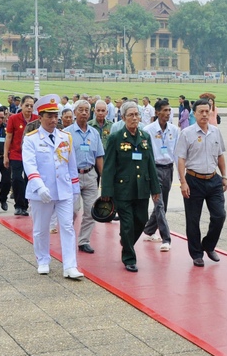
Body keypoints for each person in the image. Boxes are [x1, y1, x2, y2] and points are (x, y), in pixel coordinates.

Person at [23, 94, 83, 279]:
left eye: (55, 115)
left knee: (67, 227)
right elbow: (30, 165)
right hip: (41, 191)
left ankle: (70, 266)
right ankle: (43, 260)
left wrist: (75, 191)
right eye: (49, 116)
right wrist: (39, 186)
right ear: (40, 117)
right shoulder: (31, 139)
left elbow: (72, 166)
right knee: (41, 228)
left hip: (63, 190)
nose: (53, 120)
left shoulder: (65, 137)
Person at [101, 101, 161, 272]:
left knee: (141, 221)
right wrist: (106, 191)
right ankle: (129, 258)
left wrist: (155, 189)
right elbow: (109, 166)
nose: (134, 118)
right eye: (131, 115)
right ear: (123, 117)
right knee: (127, 223)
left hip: (142, 187)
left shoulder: (144, 136)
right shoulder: (116, 137)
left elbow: (150, 163)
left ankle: (126, 242)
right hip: (123, 189)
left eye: (137, 115)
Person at [174, 99, 227, 267]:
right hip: (193, 180)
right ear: (194, 114)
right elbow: (181, 159)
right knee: (193, 219)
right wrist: (183, 182)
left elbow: (220, 155)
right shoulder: (187, 133)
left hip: (213, 179)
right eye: (201, 112)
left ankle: (209, 245)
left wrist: (224, 176)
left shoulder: (215, 132)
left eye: (207, 111)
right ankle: (196, 253)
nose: (205, 114)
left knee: (220, 215)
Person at [67, 100, 104, 254]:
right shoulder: (67, 133)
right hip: (73, 176)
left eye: (86, 110)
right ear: (75, 112)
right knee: (73, 211)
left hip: (90, 175)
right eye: (80, 110)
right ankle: (68, 238)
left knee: (91, 211)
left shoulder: (94, 133)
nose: (83, 113)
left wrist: (104, 178)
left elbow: (99, 157)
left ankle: (84, 241)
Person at [142, 99, 179, 252]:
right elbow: (145, 153)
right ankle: (166, 238)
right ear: (157, 112)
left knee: (164, 205)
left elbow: (177, 153)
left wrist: (181, 176)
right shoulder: (148, 130)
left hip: (168, 169)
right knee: (159, 204)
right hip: (154, 169)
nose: (168, 113)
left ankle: (149, 230)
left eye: (169, 110)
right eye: (164, 110)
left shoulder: (174, 130)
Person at [4, 96, 37, 216]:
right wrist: (5, 156)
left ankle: (25, 205)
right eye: (27, 105)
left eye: (31, 106)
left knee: (30, 179)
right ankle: (18, 205)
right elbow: (8, 137)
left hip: (32, 156)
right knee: (17, 179)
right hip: (16, 154)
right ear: (21, 106)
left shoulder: (36, 119)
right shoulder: (14, 119)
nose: (29, 108)